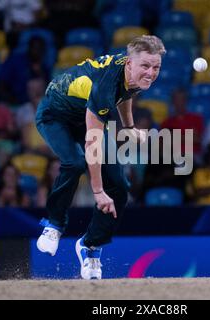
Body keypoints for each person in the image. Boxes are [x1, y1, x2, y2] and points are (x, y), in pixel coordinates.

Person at [35, 35, 165, 279]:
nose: (151, 73)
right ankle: (53, 225)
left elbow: (126, 94)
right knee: (74, 161)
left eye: (156, 67)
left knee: (119, 186)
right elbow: (92, 143)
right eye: (145, 66)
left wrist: (128, 126)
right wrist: (97, 191)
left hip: (87, 114)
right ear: (129, 64)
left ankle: (90, 245)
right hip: (56, 116)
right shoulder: (104, 86)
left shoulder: (134, 74)